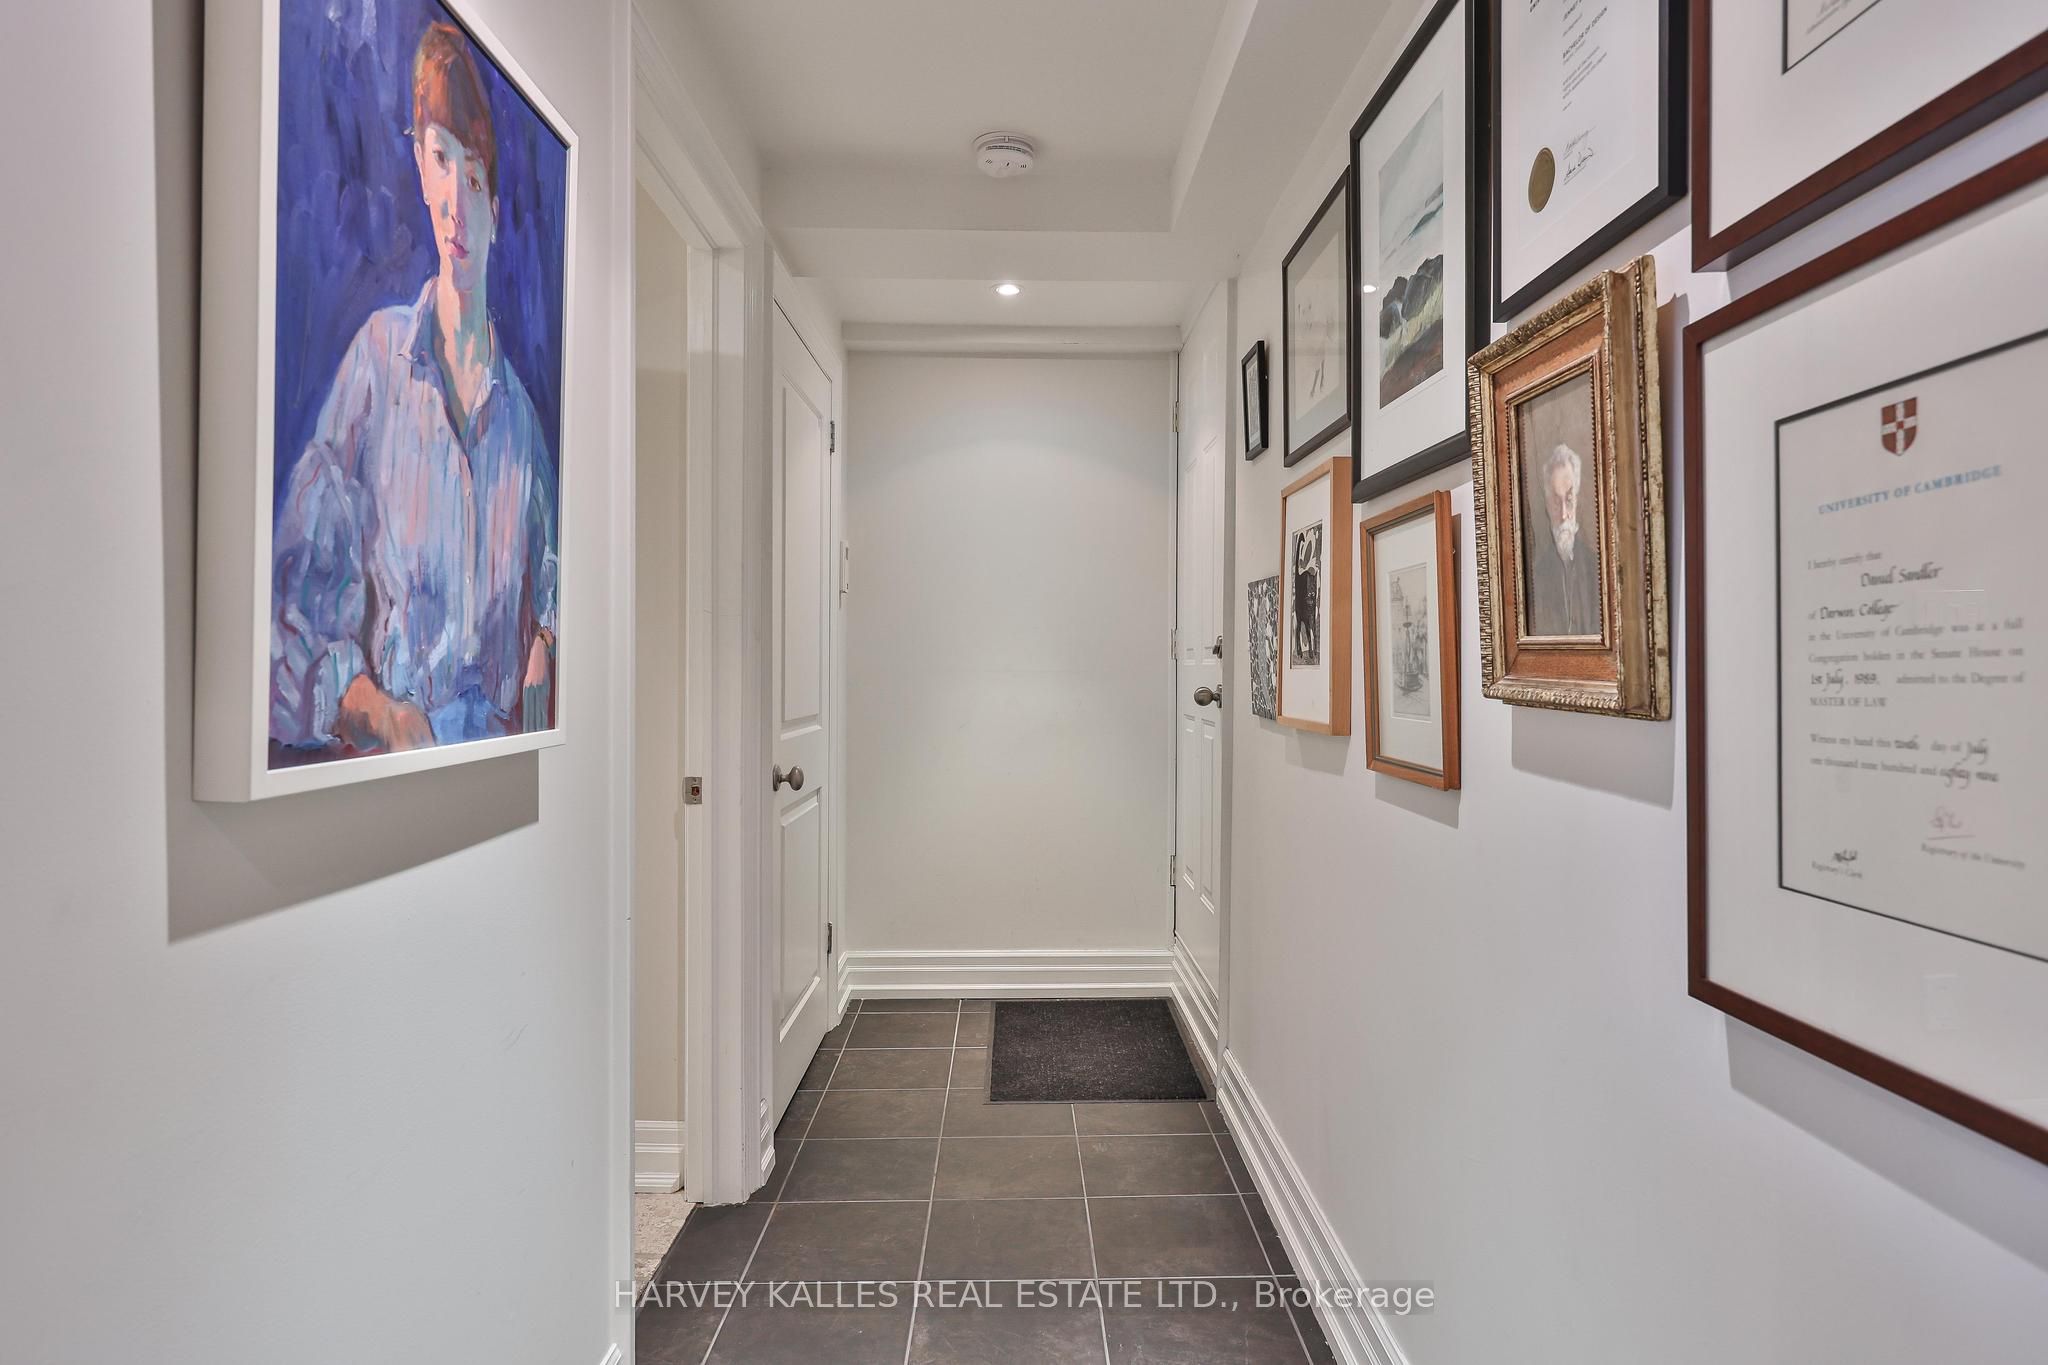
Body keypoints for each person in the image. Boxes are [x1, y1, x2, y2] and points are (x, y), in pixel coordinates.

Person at [270, 22, 557, 759]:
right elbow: (291, 624)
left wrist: (545, 645)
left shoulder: (520, 424)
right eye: (440, 162)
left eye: (474, 178)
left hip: (500, 775)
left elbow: (560, 582)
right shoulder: (376, 365)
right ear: (420, 171)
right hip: (392, 780)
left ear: (496, 204)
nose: (457, 206)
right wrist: (378, 714)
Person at [1525, 443, 1600, 637]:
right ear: (1547, 505)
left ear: (1577, 498)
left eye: (1569, 499)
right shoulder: (1536, 577)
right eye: (1556, 501)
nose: (1564, 514)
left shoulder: (1596, 568)